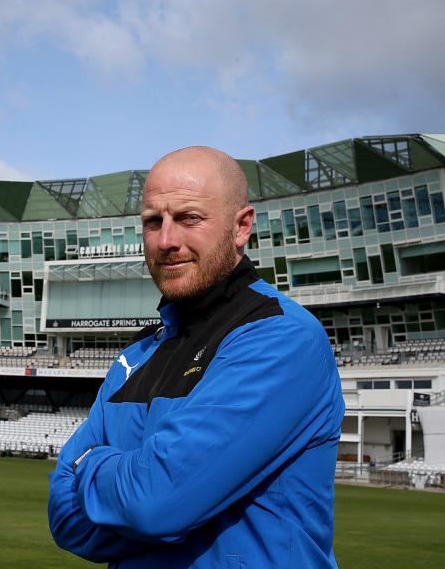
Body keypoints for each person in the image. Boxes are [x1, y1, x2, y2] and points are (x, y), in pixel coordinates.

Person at [48, 146, 344, 567]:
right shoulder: (136, 356)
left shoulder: (281, 338)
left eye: (189, 218)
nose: (167, 241)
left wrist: (91, 463)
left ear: (241, 227)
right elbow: (65, 519)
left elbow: (155, 504)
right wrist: (150, 499)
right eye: (153, 222)